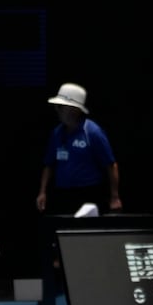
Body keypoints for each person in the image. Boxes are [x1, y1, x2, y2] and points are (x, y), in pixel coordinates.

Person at [36, 82, 120, 215]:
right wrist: (42, 192)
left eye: (60, 106)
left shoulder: (93, 132)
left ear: (75, 109)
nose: (56, 110)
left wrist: (114, 197)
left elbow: (111, 165)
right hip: (63, 194)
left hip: (88, 194)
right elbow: (48, 164)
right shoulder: (57, 133)